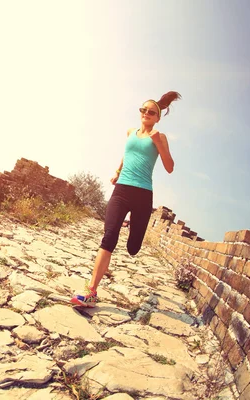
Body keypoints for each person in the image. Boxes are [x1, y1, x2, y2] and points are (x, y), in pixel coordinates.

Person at [71, 91, 181, 307]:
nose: (146, 114)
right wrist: (117, 171)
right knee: (109, 235)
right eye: (143, 110)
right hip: (121, 190)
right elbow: (126, 154)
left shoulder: (160, 136)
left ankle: (132, 228)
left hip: (143, 194)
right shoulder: (131, 132)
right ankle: (91, 291)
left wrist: (158, 142)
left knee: (133, 247)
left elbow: (170, 167)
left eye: (151, 112)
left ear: (158, 117)